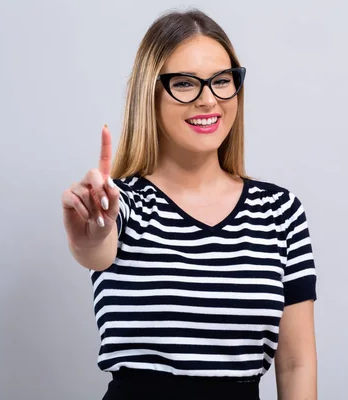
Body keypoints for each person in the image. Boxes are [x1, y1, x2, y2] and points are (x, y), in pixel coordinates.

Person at [61, 8, 317, 400]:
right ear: (151, 92)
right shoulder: (122, 205)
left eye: (221, 81)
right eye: (184, 83)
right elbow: (97, 247)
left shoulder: (279, 212)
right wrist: (90, 232)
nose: (207, 100)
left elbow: (296, 363)